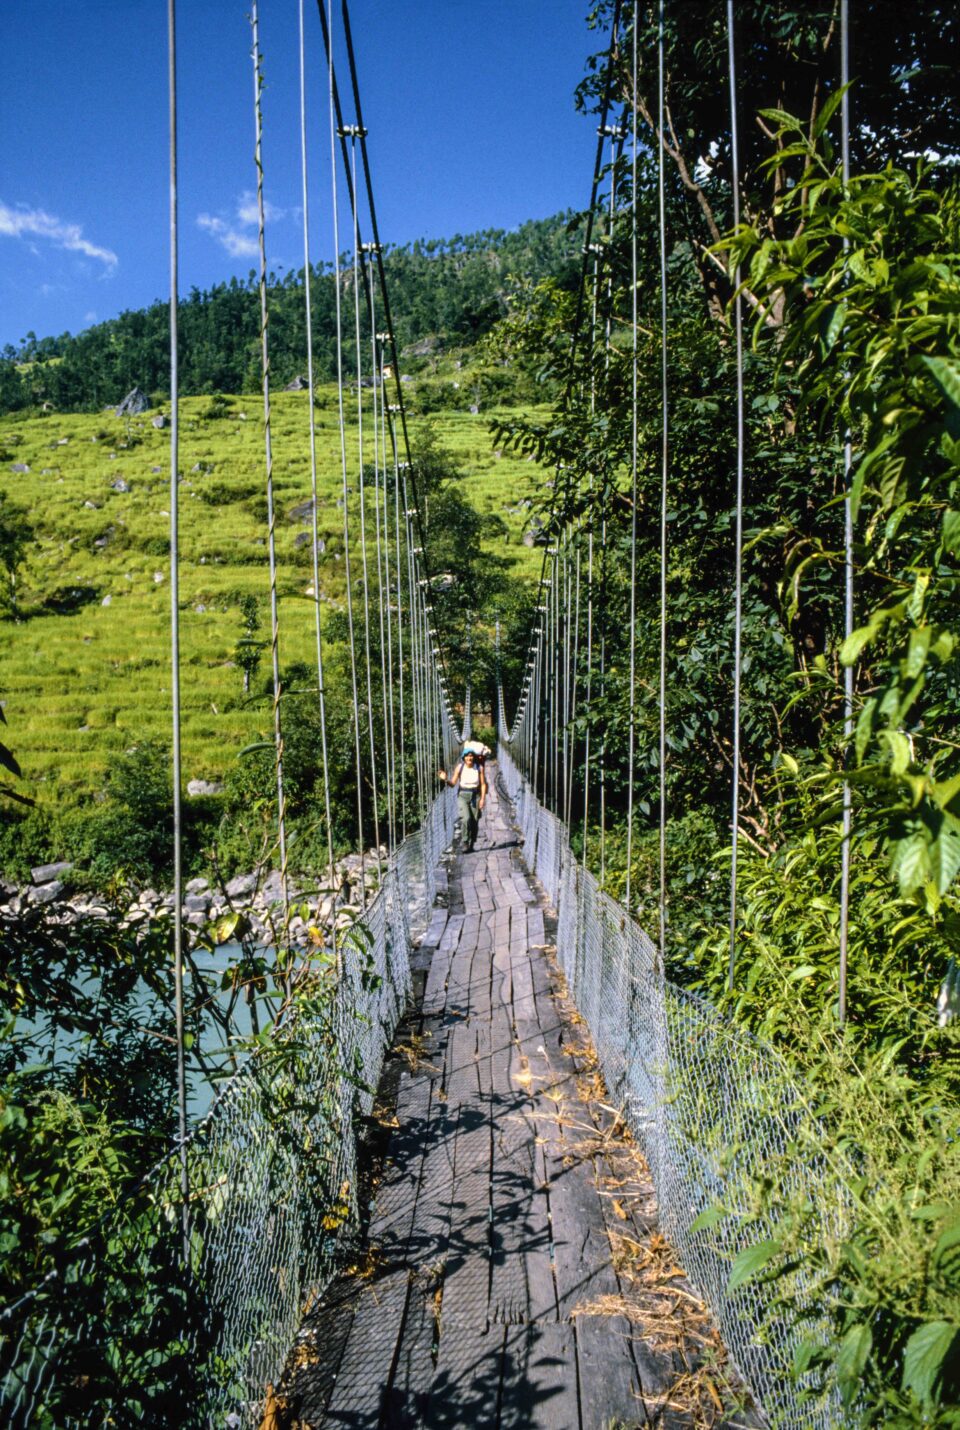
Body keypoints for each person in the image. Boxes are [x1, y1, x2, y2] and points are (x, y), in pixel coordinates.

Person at [439, 748, 486, 853]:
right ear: (464, 757)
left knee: (474, 821)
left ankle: (471, 843)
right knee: (466, 819)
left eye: (471, 756)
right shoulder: (460, 767)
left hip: (475, 796)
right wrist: (446, 779)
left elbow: (483, 784)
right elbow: (452, 784)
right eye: (467, 756)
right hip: (463, 796)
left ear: (473, 757)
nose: (469, 758)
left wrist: (483, 799)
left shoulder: (479, 768)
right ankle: (465, 841)